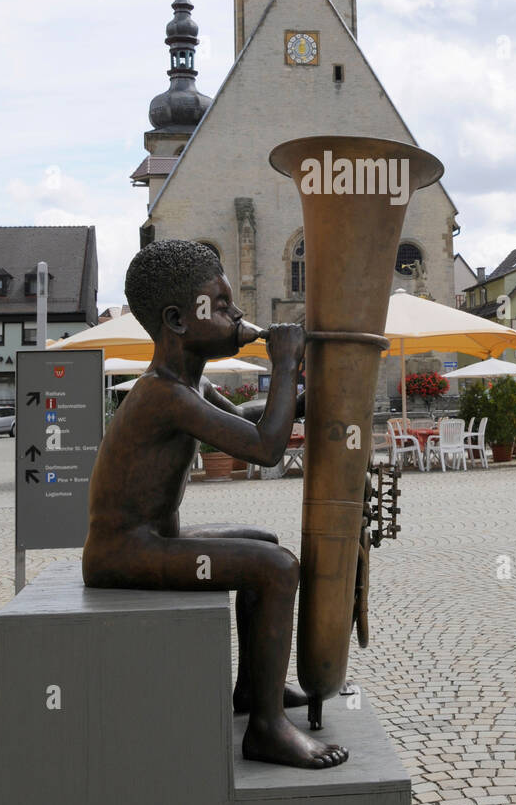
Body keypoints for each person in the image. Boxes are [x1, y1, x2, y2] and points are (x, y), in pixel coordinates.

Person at [82, 239, 347, 771]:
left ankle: (254, 692)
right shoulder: (164, 394)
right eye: (221, 305)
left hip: (152, 540)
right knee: (277, 568)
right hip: (123, 553)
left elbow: (250, 420)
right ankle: (267, 730)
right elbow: (265, 448)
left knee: (263, 545)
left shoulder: (186, 382)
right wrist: (287, 362)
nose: (238, 314)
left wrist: (298, 397)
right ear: (178, 319)